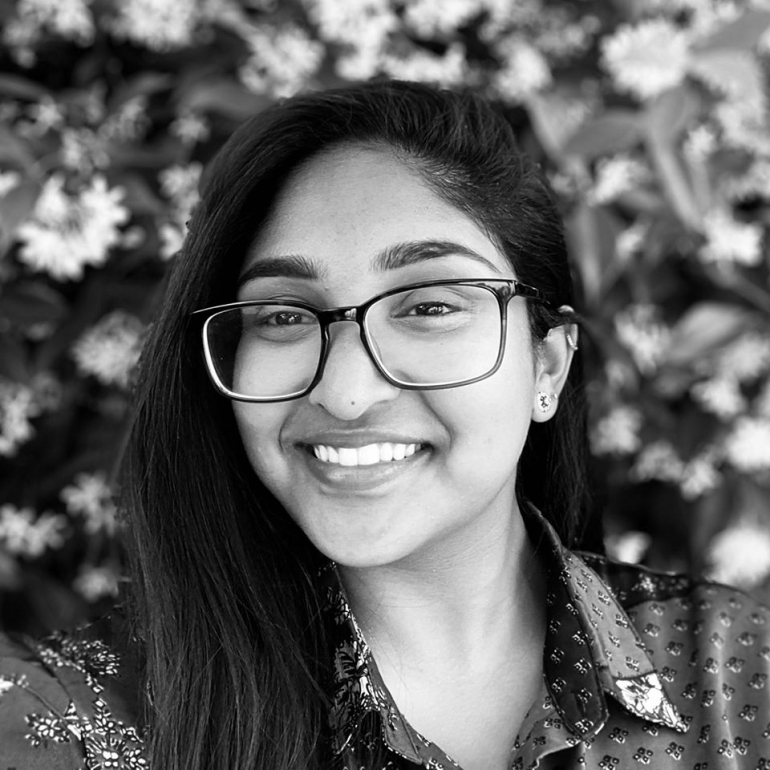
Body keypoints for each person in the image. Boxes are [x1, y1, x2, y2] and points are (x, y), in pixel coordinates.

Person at [1, 79, 769, 770]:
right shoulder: (68, 720)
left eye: (429, 306)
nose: (345, 392)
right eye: (282, 315)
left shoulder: (743, 673)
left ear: (547, 367)